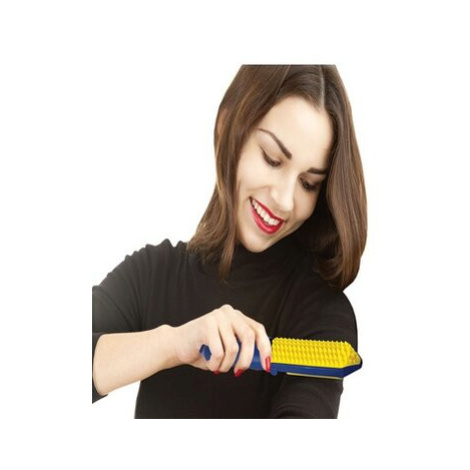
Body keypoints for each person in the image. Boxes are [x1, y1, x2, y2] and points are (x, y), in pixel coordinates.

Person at [92, 65, 367, 418]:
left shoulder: (322, 314)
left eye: (308, 183)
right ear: (227, 127)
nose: (285, 200)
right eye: (272, 159)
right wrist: (174, 345)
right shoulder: (152, 274)